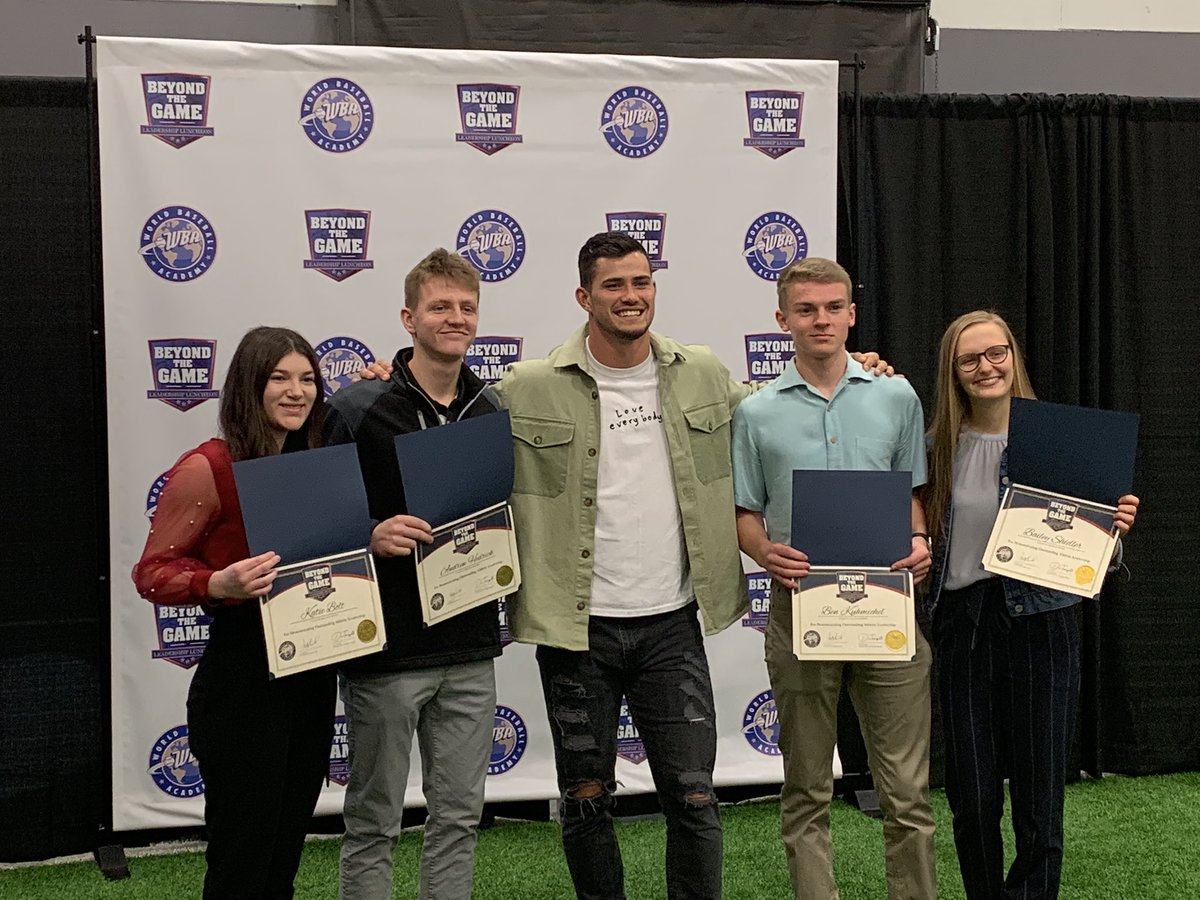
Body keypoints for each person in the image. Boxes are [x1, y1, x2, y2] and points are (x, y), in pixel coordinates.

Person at [357, 234, 891, 900]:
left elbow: (776, 410)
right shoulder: (525, 387)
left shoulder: (700, 372)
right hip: (576, 630)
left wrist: (849, 365)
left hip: (671, 625)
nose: (630, 296)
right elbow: (447, 409)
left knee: (695, 800)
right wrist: (392, 373)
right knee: (585, 803)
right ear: (585, 297)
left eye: (641, 282)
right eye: (613, 285)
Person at [732, 257, 936, 900]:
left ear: (852, 313)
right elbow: (745, 513)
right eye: (806, 309)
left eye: (832, 307)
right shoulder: (755, 411)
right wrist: (766, 552)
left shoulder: (896, 396)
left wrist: (921, 540)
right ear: (782, 319)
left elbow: (913, 494)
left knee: (906, 792)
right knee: (807, 789)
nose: (820, 319)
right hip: (801, 608)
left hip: (887, 607)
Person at [921, 310, 1139, 900]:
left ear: (1013, 356)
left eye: (996, 353)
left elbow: (1089, 553)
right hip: (964, 625)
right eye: (970, 359)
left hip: (1043, 622)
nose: (985, 367)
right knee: (972, 798)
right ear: (953, 371)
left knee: (1041, 801)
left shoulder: (1060, 441)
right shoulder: (935, 449)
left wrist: (1111, 532)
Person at [324, 248, 503, 900]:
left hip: (471, 645)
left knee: (458, 817)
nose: (454, 318)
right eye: (439, 307)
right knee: (374, 820)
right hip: (388, 651)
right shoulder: (357, 408)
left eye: (465, 307)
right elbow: (315, 524)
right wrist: (368, 534)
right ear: (409, 317)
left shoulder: (490, 408)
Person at [132, 326, 335, 899]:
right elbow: (152, 572)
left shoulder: (311, 462)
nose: (297, 392)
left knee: (284, 850)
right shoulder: (208, 466)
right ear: (249, 386)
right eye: (279, 378)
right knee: (242, 857)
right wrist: (215, 582)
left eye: (308, 379)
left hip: (311, 673)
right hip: (243, 681)